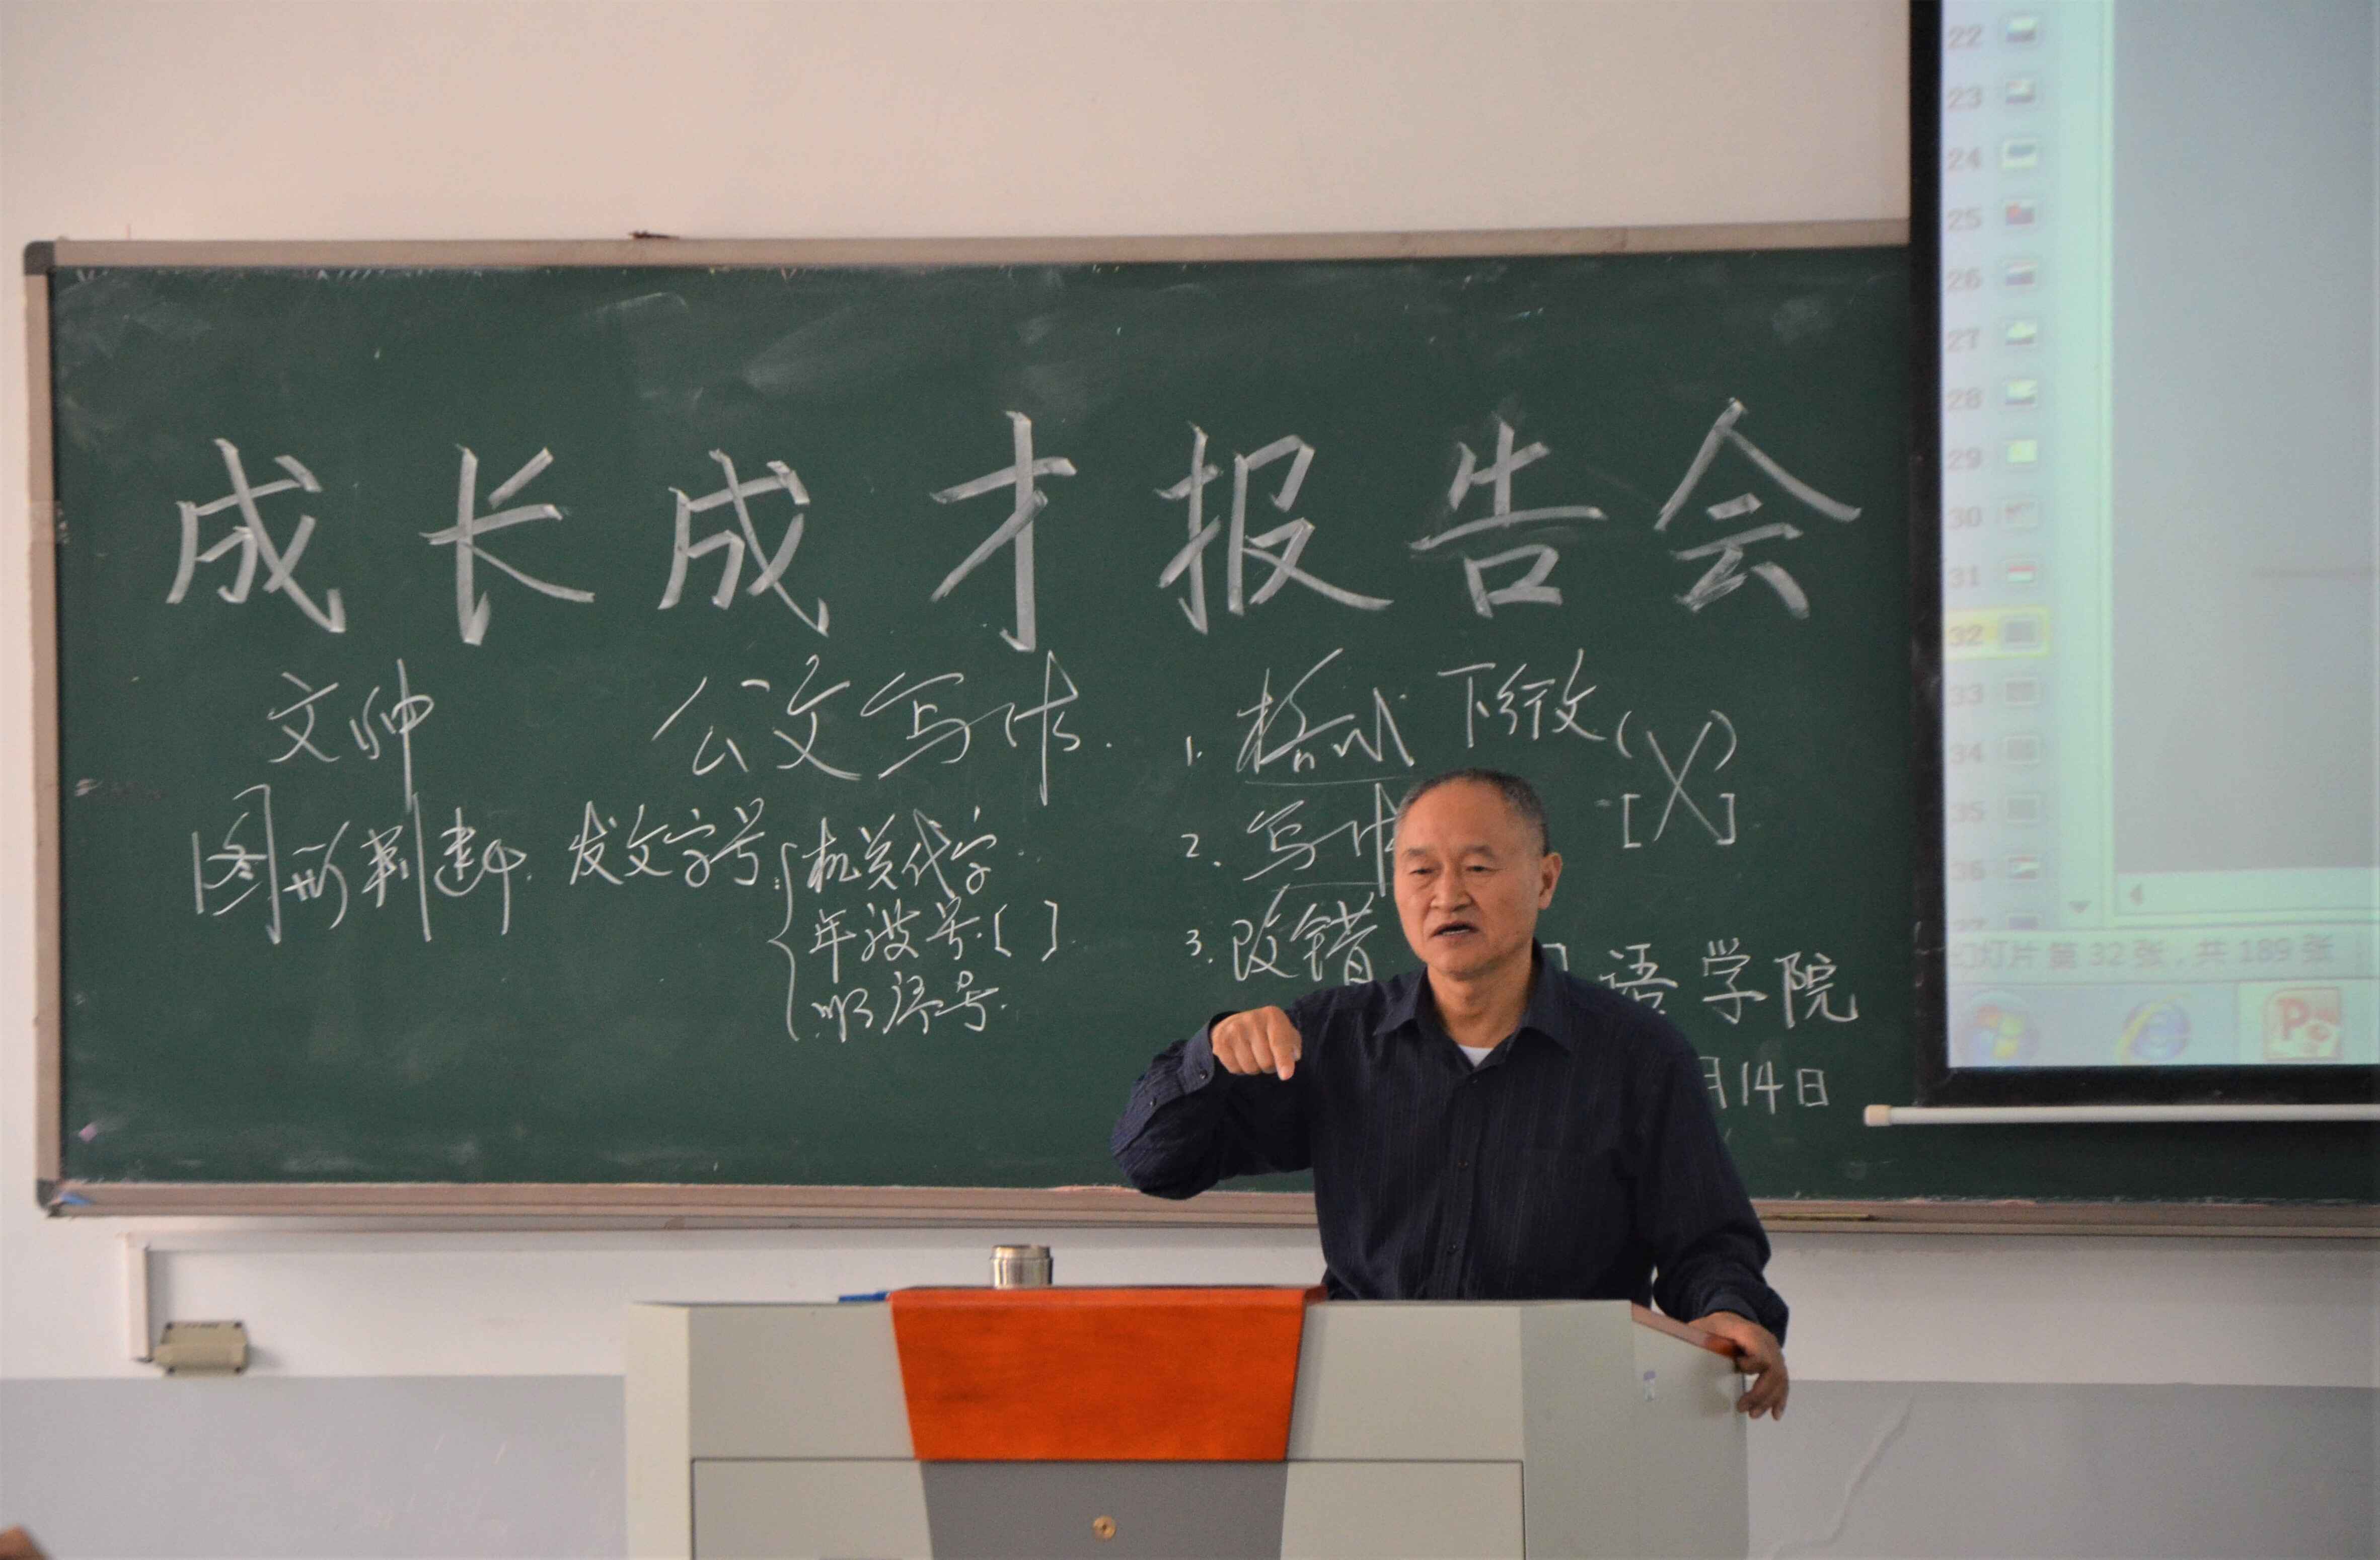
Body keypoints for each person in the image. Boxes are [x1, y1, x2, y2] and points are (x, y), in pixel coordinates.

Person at [1111, 767, 1790, 1418]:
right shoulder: (1334, 1040)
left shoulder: (1636, 1056)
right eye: (1421, 871)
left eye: (1478, 867)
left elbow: (1706, 1241)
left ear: (1546, 879)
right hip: (1366, 1400)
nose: (1448, 895)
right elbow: (1154, 1164)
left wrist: (1727, 1310)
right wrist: (1212, 1052)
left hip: (1566, 1405)